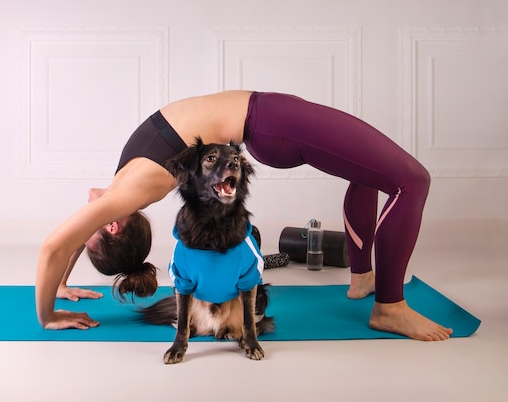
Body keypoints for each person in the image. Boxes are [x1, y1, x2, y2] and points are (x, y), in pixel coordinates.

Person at [35, 90, 453, 341]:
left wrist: (65, 283)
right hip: (272, 124)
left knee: (368, 172)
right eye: (90, 232)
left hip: (267, 122)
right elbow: (55, 244)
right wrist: (48, 314)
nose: (84, 215)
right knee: (411, 181)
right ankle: (390, 307)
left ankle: (363, 281)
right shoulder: (133, 188)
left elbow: (74, 236)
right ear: (110, 225)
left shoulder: (118, 186)